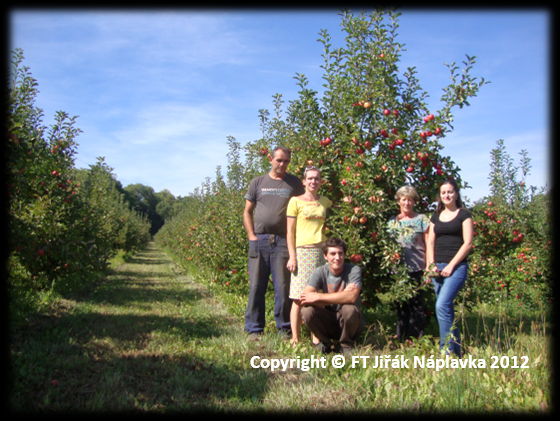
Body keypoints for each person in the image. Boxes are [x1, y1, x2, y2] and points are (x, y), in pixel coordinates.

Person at [243, 146, 305, 338]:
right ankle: (254, 328)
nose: (282, 164)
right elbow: (247, 212)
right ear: (271, 159)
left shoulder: (294, 183)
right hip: (260, 239)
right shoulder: (258, 182)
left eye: (286, 161)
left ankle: (284, 329)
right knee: (256, 286)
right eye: (279, 160)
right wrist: (252, 236)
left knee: (283, 286)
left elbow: (305, 204)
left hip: (282, 241)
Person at [425, 179, 473, 357]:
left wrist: (452, 265)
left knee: (442, 305)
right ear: (440, 196)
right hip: (437, 269)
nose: (447, 195)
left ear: (456, 194)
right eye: (443, 192)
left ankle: (446, 352)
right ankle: (457, 353)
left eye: (450, 192)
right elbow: (430, 242)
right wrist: (431, 265)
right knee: (446, 310)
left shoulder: (464, 215)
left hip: (457, 267)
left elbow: (468, 243)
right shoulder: (436, 216)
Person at [286, 166, 332, 346]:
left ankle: (316, 336)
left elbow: (341, 211)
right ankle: (295, 338)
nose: (313, 181)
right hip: (303, 251)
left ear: (321, 182)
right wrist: (292, 256)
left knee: (317, 296)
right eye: (310, 178)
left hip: (322, 252)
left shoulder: (325, 201)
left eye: (317, 178)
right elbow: (289, 231)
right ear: (304, 181)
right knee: (298, 297)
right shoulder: (295, 201)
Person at [300, 237, 364, 355]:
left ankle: (346, 345)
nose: (337, 258)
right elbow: (305, 299)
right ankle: (325, 344)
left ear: (345, 255)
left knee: (349, 309)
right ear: (325, 256)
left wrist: (318, 297)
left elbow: (352, 297)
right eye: (333, 254)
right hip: (328, 320)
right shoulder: (319, 272)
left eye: (340, 253)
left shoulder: (354, 270)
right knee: (306, 311)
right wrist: (344, 294)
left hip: (349, 322)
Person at [386, 185, 430, 344]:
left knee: (416, 304)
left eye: (410, 200)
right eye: (404, 199)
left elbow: (429, 244)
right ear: (398, 201)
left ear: (414, 202)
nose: (407, 203)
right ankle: (400, 334)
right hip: (398, 269)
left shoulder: (422, 219)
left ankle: (414, 337)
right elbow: (388, 244)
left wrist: (428, 268)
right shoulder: (393, 221)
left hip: (417, 267)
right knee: (401, 303)